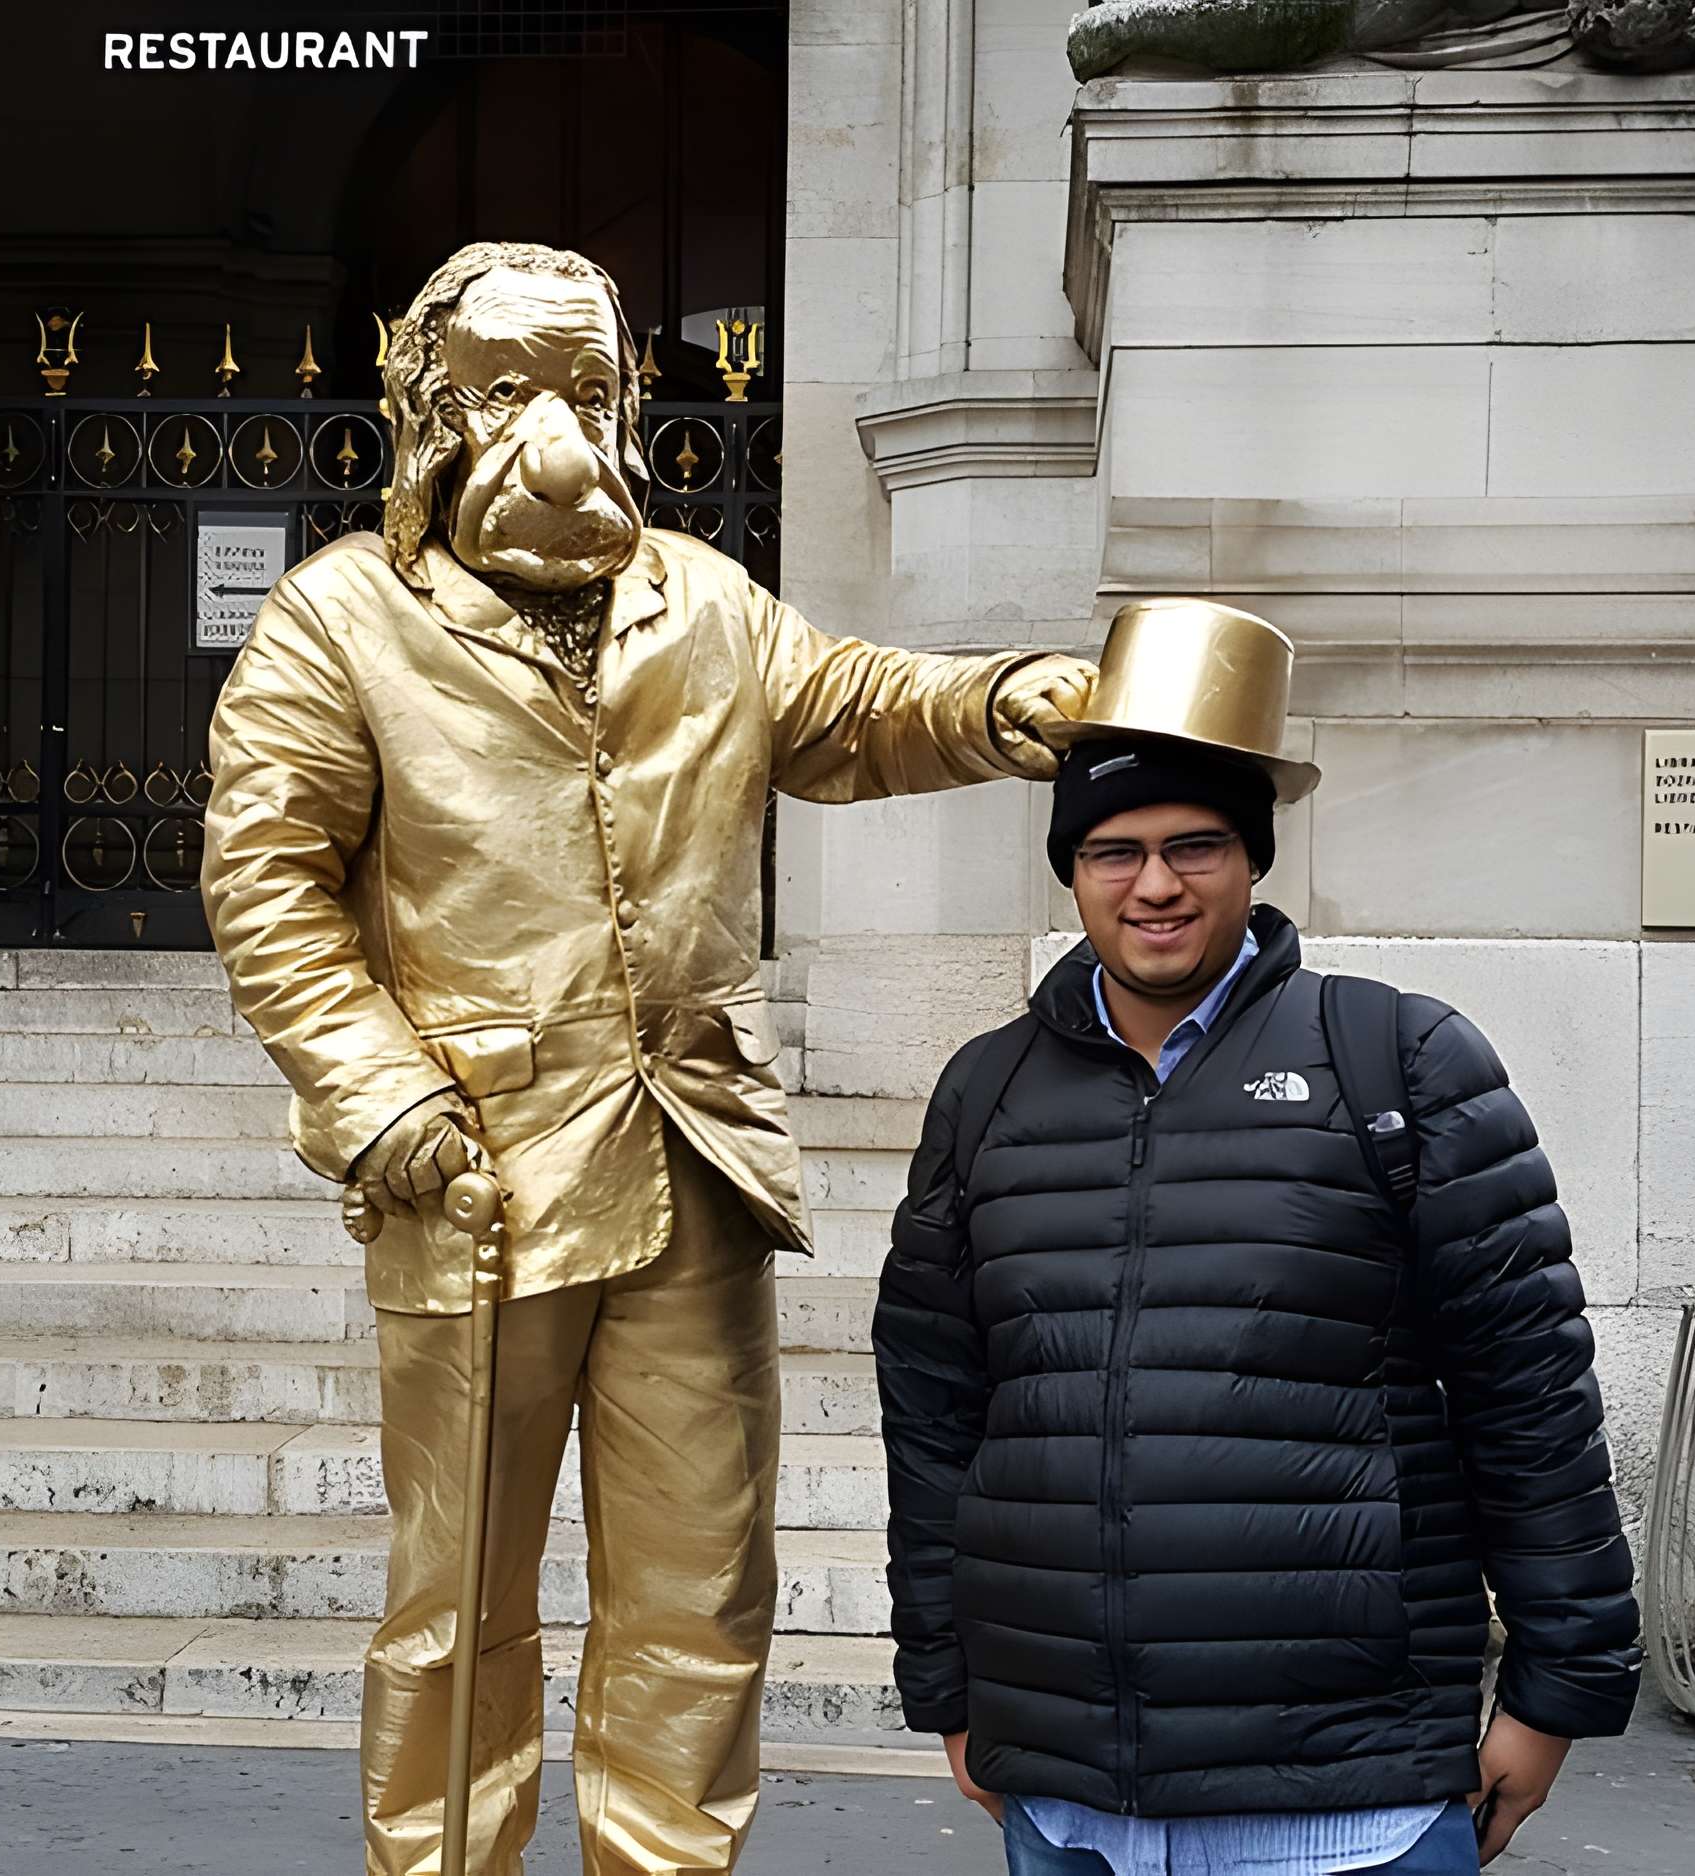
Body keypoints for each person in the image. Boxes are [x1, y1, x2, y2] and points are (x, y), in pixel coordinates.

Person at [203, 240, 1093, 1876]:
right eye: (507, 388)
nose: (554, 427)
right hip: (471, 1173)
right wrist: (378, 1091)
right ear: (431, 410)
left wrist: (1003, 703)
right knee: (457, 1606)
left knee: (701, 1596)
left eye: (587, 387)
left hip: (693, 1165)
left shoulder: (705, 599)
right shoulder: (342, 615)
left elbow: (858, 707)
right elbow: (267, 879)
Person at [872, 600, 1640, 1873]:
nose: (1154, 884)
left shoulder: (1398, 1058)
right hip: (1071, 1801)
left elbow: (1528, 1391)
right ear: (1071, 870)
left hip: (1350, 1801)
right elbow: (935, 1415)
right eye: (1114, 850)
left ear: (1250, 859)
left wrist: (1559, 1687)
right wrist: (946, 1685)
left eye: (1195, 845)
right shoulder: (985, 1090)